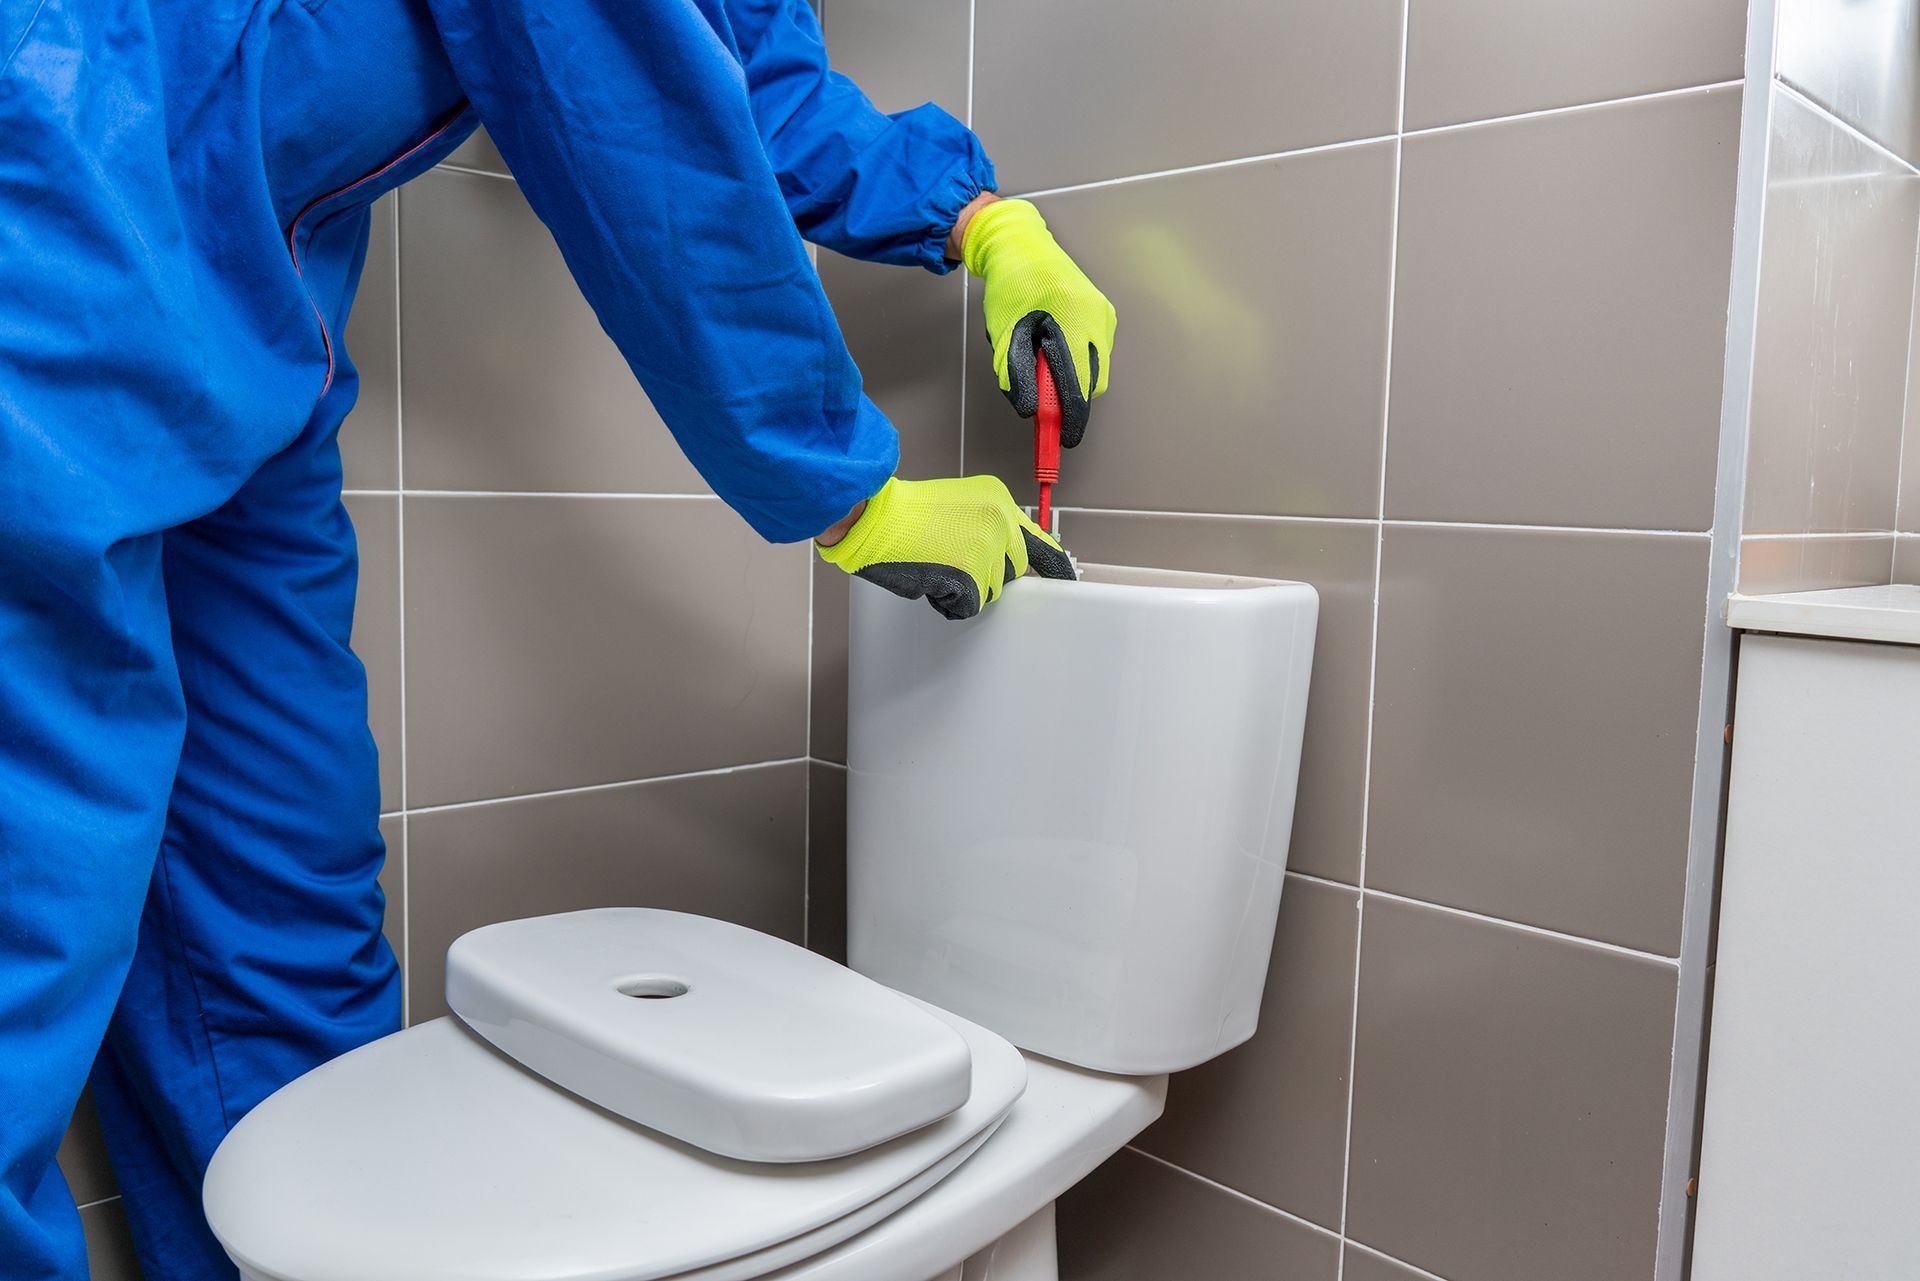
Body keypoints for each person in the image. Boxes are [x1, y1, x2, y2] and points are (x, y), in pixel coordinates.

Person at [0, 0, 1116, 1275]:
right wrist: (850, 492)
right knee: (20, 909)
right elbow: (624, 92)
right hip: (52, 187)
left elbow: (735, 63)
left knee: (278, 899)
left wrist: (974, 221)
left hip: (245, 302)